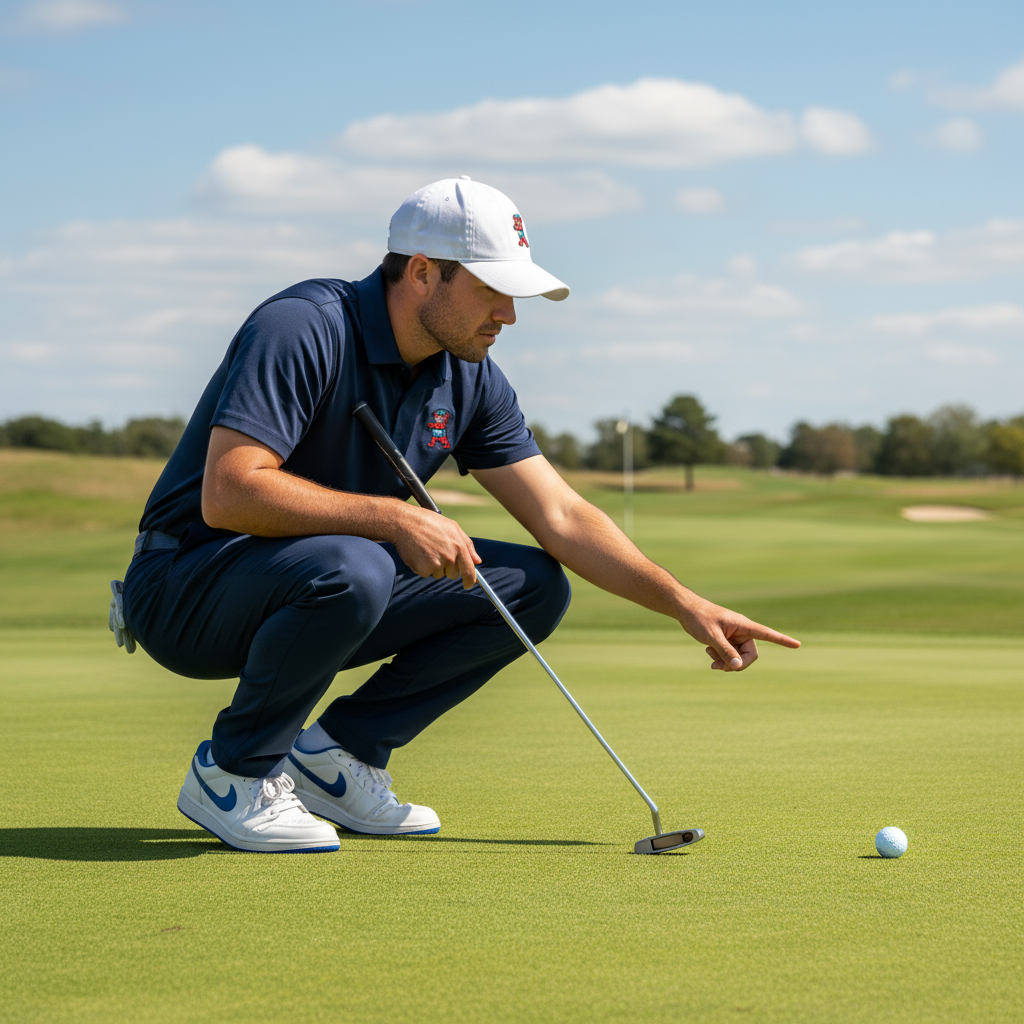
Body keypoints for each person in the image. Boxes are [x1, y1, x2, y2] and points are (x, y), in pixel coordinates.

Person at [115, 177, 800, 854]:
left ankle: (336, 758)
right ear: (421, 272)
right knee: (354, 561)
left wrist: (683, 603)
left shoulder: (467, 375)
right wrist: (392, 518)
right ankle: (234, 772)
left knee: (529, 584)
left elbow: (560, 514)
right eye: (491, 290)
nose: (508, 314)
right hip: (187, 586)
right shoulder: (304, 326)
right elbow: (229, 492)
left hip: (322, 583)